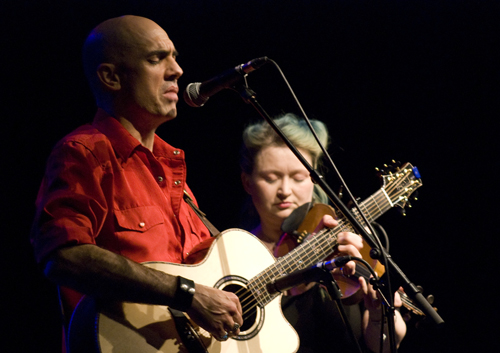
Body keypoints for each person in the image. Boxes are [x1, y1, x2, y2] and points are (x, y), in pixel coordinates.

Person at [29, 15, 243, 351]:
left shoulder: (174, 175)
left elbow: (210, 280)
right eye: (157, 59)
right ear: (111, 77)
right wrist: (186, 294)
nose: (177, 70)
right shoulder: (85, 153)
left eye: (174, 56)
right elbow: (62, 255)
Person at [239, 113, 407, 352]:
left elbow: (386, 346)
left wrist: (380, 313)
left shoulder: (345, 243)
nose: (285, 191)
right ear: (247, 182)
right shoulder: (231, 254)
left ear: (314, 181)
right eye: (271, 178)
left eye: (298, 177)